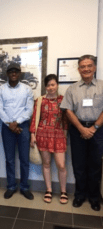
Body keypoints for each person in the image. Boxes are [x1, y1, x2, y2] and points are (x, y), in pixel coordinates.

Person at [60, 54, 103, 211]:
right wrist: (81, 128)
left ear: (94, 68)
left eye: (89, 65)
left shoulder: (102, 86)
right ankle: (79, 195)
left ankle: (93, 197)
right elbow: (68, 111)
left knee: (95, 165)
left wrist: (93, 128)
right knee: (78, 165)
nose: (86, 69)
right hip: (77, 130)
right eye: (83, 66)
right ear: (78, 69)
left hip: (97, 131)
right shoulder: (72, 89)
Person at [0, 62, 34, 200]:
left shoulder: (27, 89)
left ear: (19, 73)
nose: (13, 73)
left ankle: (24, 187)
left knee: (24, 159)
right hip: (7, 128)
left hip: (23, 127)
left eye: (16, 71)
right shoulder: (1, 89)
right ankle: (11, 186)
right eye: (11, 71)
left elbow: (29, 110)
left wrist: (16, 123)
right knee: (9, 159)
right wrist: (10, 124)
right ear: (7, 73)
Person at [30, 74, 68, 204]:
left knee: (61, 165)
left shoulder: (63, 100)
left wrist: (65, 136)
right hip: (42, 134)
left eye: (53, 84)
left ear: (57, 85)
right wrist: (32, 135)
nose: (51, 87)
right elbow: (35, 118)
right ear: (45, 87)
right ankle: (49, 190)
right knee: (46, 164)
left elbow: (65, 120)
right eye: (48, 85)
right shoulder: (40, 100)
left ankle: (63, 191)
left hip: (58, 135)